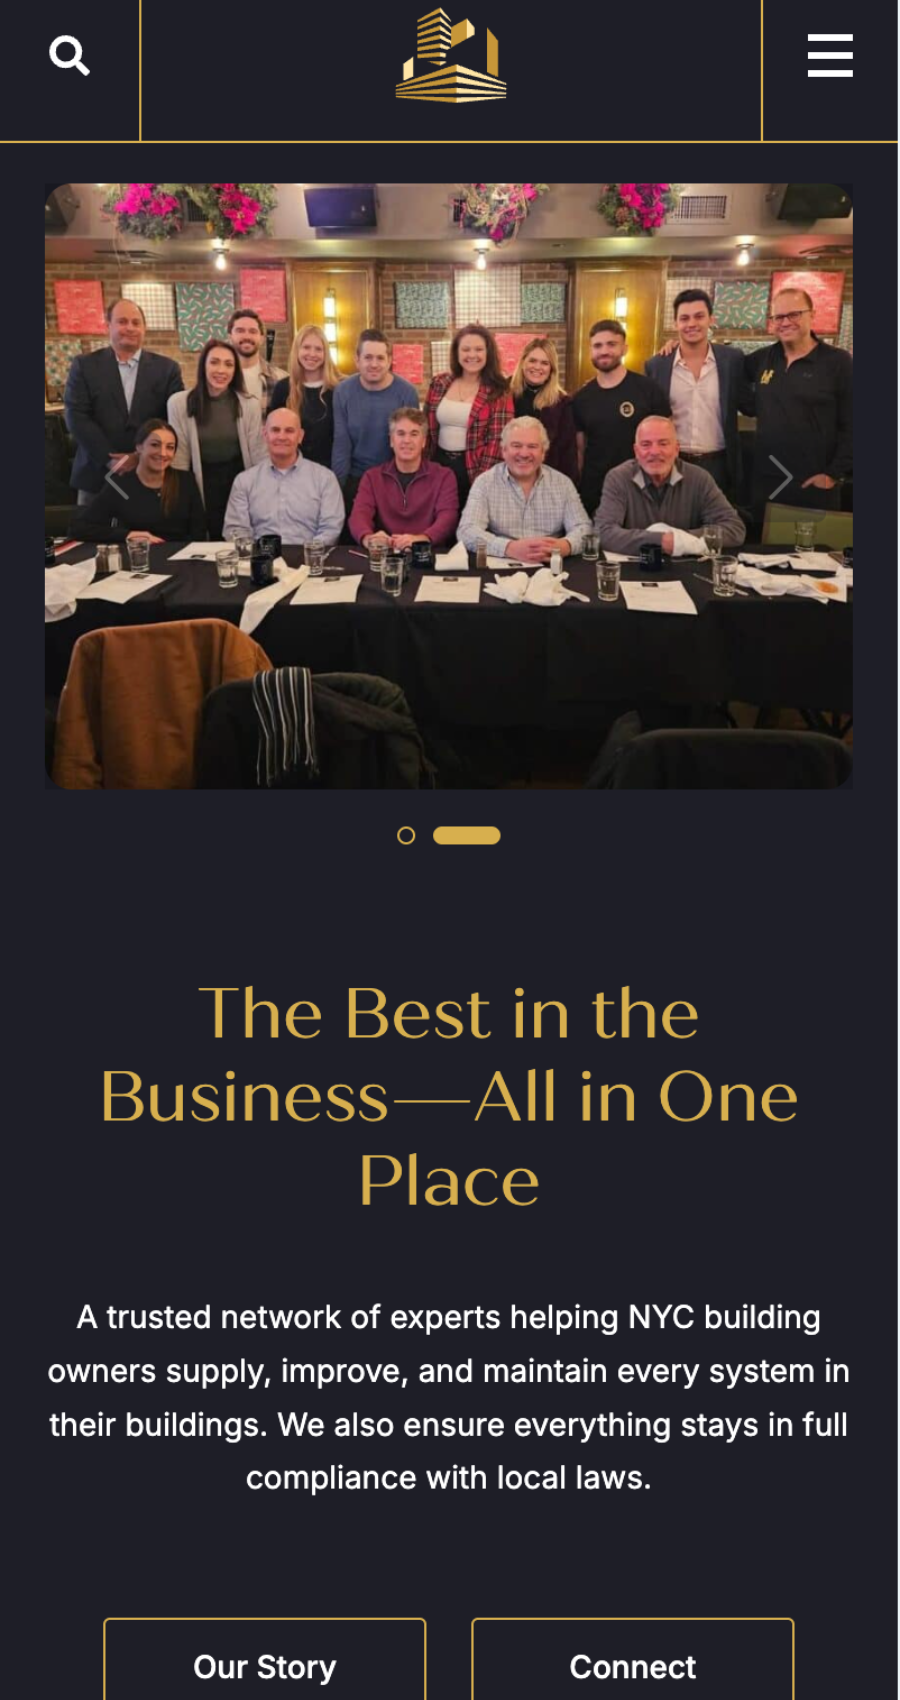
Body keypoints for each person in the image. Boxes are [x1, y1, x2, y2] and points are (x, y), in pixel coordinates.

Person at [744, 287, 853, 520]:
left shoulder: (838, 362)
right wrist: (676, 348)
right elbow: (722, 367)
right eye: (778, 317)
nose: (785, 322)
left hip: (814, 484)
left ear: (812, 315)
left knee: (813, 554)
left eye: (794, 314)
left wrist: (834, 474)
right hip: (767, 483)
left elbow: (853, 425)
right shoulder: (761, 359)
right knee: (763, 552)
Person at [64, 298, 184, 502]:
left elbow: (173, 420)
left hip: (149, 472)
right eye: (122, 321)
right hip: (96, 474)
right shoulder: (84, 366)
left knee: (147, 534)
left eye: (136, 323)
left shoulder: (167, 369)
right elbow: (76, 417)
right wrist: (109, 459)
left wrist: (139, 456)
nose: (130, 328)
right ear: (108, 325)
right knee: (91, 533)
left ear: (144, 329)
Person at [645, 289, 752, 497]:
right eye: (684, 318)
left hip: (719, 463)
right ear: (676, 324)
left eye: (699, 316)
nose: (691, 324)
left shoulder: (732, 360)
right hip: (673, 463)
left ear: (711, 319)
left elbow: (749, 403)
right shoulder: (657, 366)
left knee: (715, 526)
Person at [596, 416, 745, 557]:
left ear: (676, 449)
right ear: (636, 451)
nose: (654, 452)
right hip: (634, 572)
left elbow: (734, 529)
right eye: (646, 444)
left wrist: (679, 541)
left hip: (688, 572)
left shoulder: (699, 478)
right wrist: (661, 541)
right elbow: (603, 533)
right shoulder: (618, 478)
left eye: (663, 443)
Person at [167, 339, 266, 539]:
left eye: (229, 364)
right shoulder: (179, 403)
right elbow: (179, 459)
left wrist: (262, 493)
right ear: (203, 365)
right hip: (199, 481)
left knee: (239, 539)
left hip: (237, 480)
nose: (221, 370)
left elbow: (258, 453)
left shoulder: (248, 404)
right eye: (214, 362)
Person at [572, 320, 671, 519]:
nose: (604, 351)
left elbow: (667, 442)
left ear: (624, 348)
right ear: (591, 350)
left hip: (642, 489)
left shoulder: (648, 389)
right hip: (597, 492)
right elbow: (580, 452)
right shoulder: (581, 398)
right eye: (597, 346)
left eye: (611, 344)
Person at [458, 416, 590, 562]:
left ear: (543, 453)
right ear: (504, 450)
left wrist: (565, 546)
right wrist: (509, 548)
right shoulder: (485, 482)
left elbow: (583, 528)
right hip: (501, 565)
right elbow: (467, 531)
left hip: (550, 566)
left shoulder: (563, 484)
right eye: (516, 445)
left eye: (532, 446)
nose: (524, 453)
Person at [69, 419, 206, 544]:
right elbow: (79, 528)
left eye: (170, 447)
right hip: (137, 559)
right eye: (155, 445)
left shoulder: (186, 481)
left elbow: (198, 533)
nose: (163, 453)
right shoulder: (120, 485)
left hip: (181, 560)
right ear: (139, 447)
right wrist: (127, 535)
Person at [223, 409, 344, 546]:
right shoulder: (244, 481)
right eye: (275, 430)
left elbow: (331, 528)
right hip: (260, 560)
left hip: (308, 560)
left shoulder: (325, 479)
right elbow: (235, 529)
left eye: (289, 431)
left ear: (300, 436)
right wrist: (258, 557)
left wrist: (308, 555)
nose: (281, 437)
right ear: (265, 434)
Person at [425, 323, 514, 508]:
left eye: (478, 349)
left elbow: (497, 440)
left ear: (488, 353)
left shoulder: (499, 390)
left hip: (473, 467)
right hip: (437, 463)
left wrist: (481, 481)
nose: (472, 355)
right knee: (438, 518)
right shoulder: (440, 383)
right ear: (456, 353)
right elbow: (425, 427)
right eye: (465, 349)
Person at [350, 408, 459, 549]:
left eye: (414, 434)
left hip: (427, 554)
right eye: (400, 434)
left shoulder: (444, 476)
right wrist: (369, 539)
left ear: (424, 441)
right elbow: (359, 515)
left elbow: (448, 518)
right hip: (385, 553)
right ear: (391, 440)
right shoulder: (372, 477)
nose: (407, 440)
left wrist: (422, 539)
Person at [331, 330, 419, 504]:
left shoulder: (406, 393)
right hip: (356, 479)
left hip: (393, 479)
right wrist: (337, 490)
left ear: (389, 361)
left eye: (380, 358)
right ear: (357, 360)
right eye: (368, 357)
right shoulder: (343, 391)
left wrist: (407, 487)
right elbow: (341, 443)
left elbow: (410, 445)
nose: (374, 364)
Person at [266, 324, 345, 467]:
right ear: (297, 350)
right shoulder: (283, 388)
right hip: (293, 470)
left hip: (331, 472)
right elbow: (274, 435)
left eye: (318, 349)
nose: (312, 354)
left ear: (325, 353)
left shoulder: (339, 389)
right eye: (306, 347)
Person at [509, 337, 578, 483]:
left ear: (551, 369)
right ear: (523, 362)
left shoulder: (562, 403)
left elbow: (567, 452)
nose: (537, 367)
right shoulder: (504, 393)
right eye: (532, 360)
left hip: (545, 480)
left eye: (544, 363)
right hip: (507, 476)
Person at [227, 307, 287, 413]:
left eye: (253, 331)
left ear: (262, 338)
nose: (247, 336)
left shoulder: (281, 380)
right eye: (240, 330)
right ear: (230, 337)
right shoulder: (219, 379)